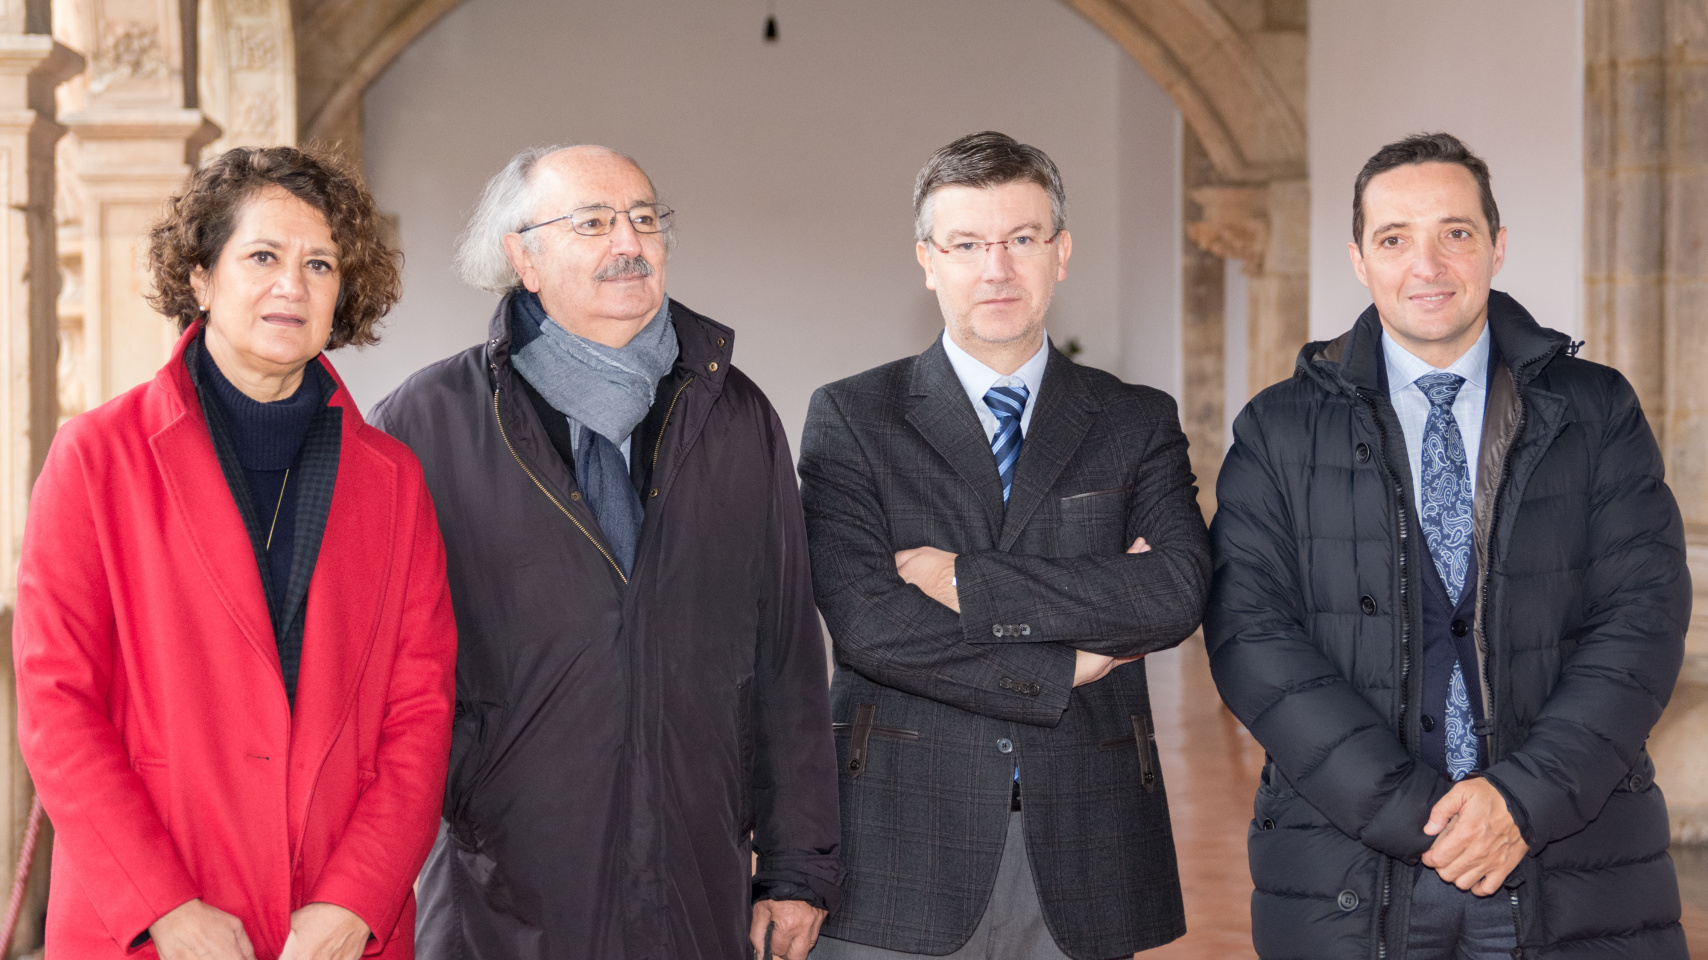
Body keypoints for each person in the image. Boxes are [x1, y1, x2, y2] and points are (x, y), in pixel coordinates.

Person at [1206, 131, 1691, 959]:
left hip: (1575, 858)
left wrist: (1519, 804)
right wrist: (1418, 818)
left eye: (1455, 233)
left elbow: (1642, 620)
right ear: (1359, 260)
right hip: (1347, 869)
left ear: (1496, 247)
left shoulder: (1596, 409)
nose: (1426, 264)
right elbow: (1252, 638)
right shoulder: (1276, 428)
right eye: (1394, 239)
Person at [370, 144, 842, 960]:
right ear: (524, 256)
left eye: (645, 218)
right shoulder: (428, 419)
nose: (629, 241)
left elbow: (788, 655)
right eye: (592, 222)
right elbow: (373, 661)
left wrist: (798, 869)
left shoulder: (736, 415)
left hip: (697, 878)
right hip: (503, 884)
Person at [13, 146, 457, 960]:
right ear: (200, 278)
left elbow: (421, 713)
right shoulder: (95, 459)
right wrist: (165, 906)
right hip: (146, 927)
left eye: (319, 263)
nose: (292, 284)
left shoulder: (395, 480)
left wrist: (355, 901)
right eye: (262, 256)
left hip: (338, 932)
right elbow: (57, 704)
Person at [797, 131, 1210, 960]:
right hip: (900, 835)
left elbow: (1173, 592)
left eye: (1022, 239)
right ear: (928, 260)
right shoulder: (852, 417)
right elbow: (870, 624)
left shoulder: (1135, 419)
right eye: (968, 244)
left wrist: (967, 581)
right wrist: (1065, 664)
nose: (997, 268)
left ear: (1060, 253)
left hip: (1086, 832)